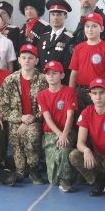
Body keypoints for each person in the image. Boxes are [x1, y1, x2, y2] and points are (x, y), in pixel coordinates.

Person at [0, 44, 47, 183]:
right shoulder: (10, 80)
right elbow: (3, 108)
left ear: (36, 61)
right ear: (19, 60)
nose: (27, 61)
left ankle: (34, 168)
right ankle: (21, 168)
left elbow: (46, 107)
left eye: (30, 58)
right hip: (16, 121)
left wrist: (28, 121)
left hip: (36, 121)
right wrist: (21, 118)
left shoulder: (43, 80)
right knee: (21, 171)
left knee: (31, 133)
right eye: (24, 58)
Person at [38, 60, 79, 191]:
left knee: (64, 149)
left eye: (54, 73)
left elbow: (70, 115)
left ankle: (65, 180)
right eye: (48, 73)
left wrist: (64, 134)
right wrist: (59, 134)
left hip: (67, 131)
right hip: (51, 134)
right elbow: (47, 118)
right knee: (53, 180)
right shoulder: (41, 95)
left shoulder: (69, 91)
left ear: (62, 75)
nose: (51, 76)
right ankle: (60, 177)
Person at [68, 11, 105, 113]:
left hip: (99, 93)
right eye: (87, 26)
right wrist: (71, 95)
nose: (90, 29)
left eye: (94, 26)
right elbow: (73, 74)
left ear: (101, 29)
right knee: (79, 119)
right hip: (80, 92)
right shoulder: (78, 48)